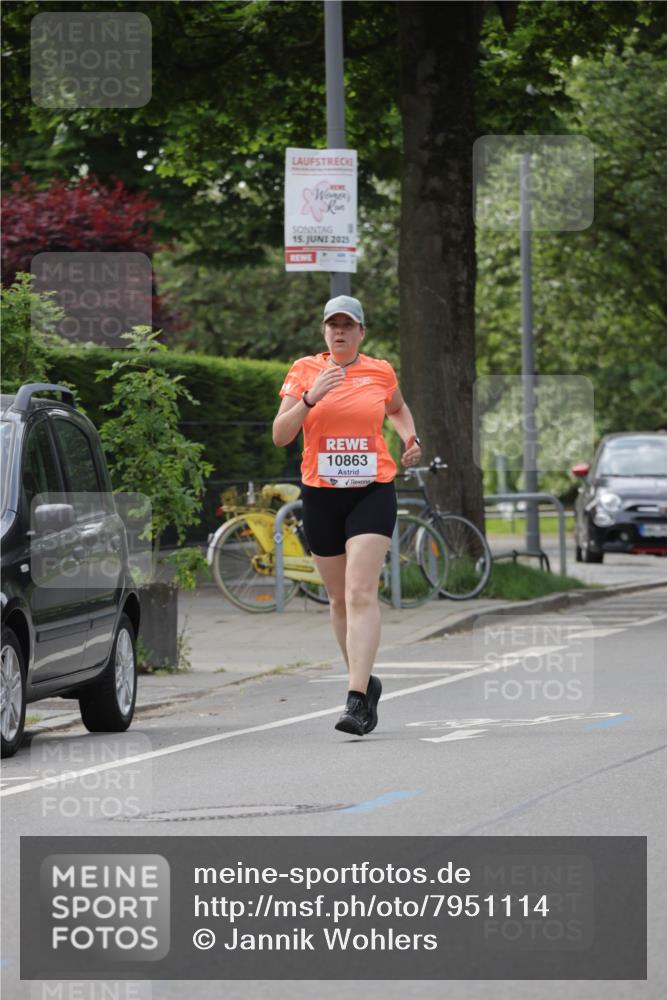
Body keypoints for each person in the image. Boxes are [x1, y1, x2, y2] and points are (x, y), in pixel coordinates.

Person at [273, 295, 422, 736]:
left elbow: (396, 407)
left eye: (348, 325)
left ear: (361, 332)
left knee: (360, 592)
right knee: (338, 599)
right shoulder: (304, 371)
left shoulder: (380, 371)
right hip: (321, 494)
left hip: (372, 490)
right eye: (331, 324)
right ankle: (365, 680)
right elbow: (281, 435)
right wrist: (309, 398)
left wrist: (410, 438)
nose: (339, 331)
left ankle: (355, 699)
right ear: (324, 331)